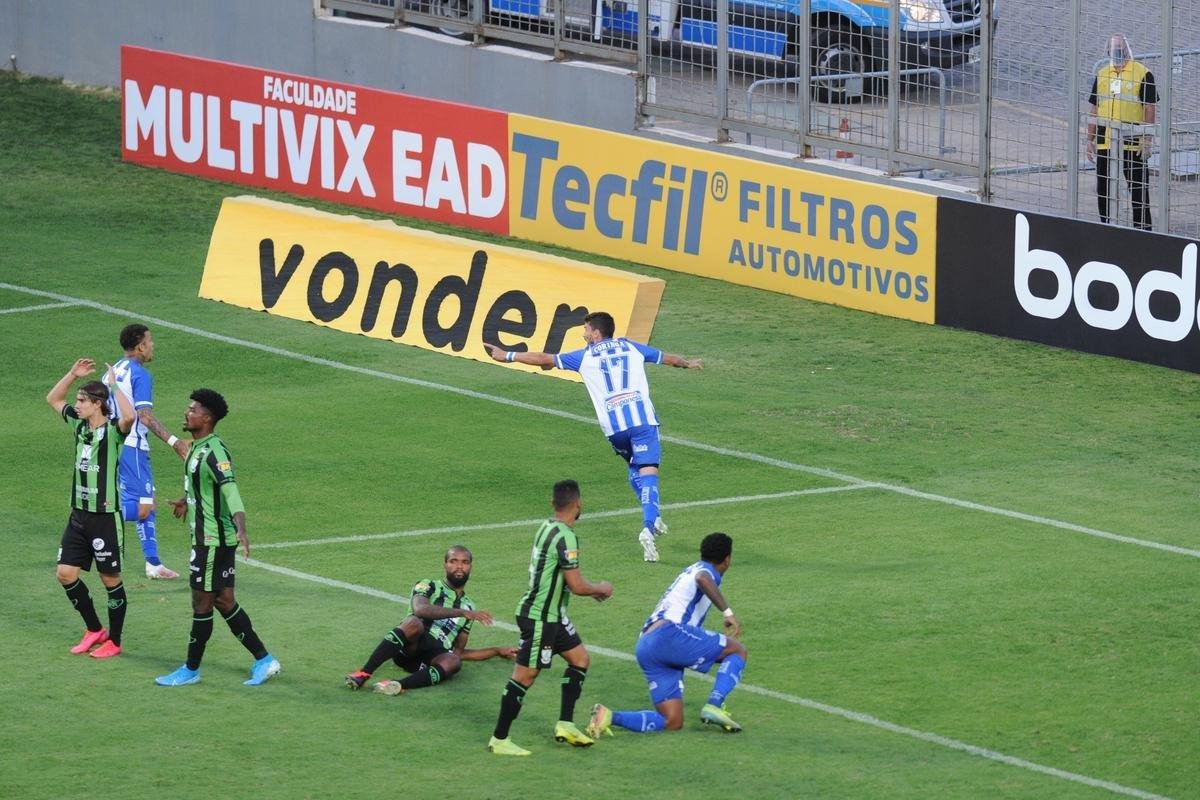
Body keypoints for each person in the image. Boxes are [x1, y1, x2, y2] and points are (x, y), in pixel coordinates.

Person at [484, 311, 702, 563]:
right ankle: (648, 526)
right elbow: (667, 358)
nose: (584, 334)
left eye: (586, 330)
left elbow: (545, 359)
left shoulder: (584, 356)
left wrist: (507, 356)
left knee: (635, 468)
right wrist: (688, 363)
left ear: (596, 333)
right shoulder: (630, 346)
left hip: (615, 430)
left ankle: (654, 516)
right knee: (649, 472)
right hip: (642, 422)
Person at [155, 389, 280, 687]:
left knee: (202, 603)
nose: (187, 412)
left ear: (206, 418)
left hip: (211, 540)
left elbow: (230, 489)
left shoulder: (215, 452)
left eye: (192, 409)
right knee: (224, 601)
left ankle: (190, 669)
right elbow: (202, 485)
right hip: (209, 539)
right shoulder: (198, 448)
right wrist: (187, 500)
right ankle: (264, 660)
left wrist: (242, 527)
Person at [487, 479, 614, 756]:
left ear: (553, 503)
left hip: (553, 615)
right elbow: (577, 585)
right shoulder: (566, 537)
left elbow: (561, 577)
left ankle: (566, 724)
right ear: (578, 504)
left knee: (580, 659)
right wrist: (600, 589)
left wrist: (586, 590)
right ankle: (499, 739)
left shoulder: (546, 527)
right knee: (525, 675)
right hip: (540, 617)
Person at [587, 532, 747, 737]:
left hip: (647, 645)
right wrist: (728, 613)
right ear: (727, 559)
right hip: (669, 634)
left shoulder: (692, 569)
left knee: (672, 720)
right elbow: (702, 579)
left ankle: (608, 716)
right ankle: (715, 704)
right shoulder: (706, 571)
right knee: (737, 650)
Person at [46, 358, 136, 659]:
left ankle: (116, 640)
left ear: (98, 404)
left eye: (83, 401)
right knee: (65, 573)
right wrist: (72, 374)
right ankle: (94, 629)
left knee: (110, 580)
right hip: (78, 515)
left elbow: (131, 417)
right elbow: (53, 398)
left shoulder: (113, 431)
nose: (77, 405)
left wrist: (116, 385)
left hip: (104, 517)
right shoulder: (78, 425)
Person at [344, 545, 517, 694]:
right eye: (453, 561)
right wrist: (460, 613)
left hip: (430, 658)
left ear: (471, 567)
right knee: (414, 623)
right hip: (410, 646)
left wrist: (497, 651)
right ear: (445, 564)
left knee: (453, 661)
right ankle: (363, 674)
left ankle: (395, 685)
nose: (459, 567)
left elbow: (459, 652)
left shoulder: (469, 607)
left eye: (465, 562)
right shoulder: (428, 585)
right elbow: (421, 609)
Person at [105, 323, 190, 580]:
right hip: (132, 447)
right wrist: (176, 442)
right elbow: (145, 417)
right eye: (150, 341)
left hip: (113, 443)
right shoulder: (139, 375)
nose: (152, 346)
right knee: (144, 507)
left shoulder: (112, 371)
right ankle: (90, 519)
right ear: (140, 345)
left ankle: (153, 563)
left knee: (148, 503)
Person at [1086, 34, 1159, 230]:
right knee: (1104, 189)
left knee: (1138, 190)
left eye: (1119, 48)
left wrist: (1146, 138)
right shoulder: (1103, 74)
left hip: (1131, 142)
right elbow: (1095, 107)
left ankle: (1143, 231)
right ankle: (1106, 227)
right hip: (1106, 141)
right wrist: (1089, 139)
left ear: (1126, 50)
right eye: (1113, 49)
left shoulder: (1143, 74)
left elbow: (1149, 108)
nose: (1116, 53)